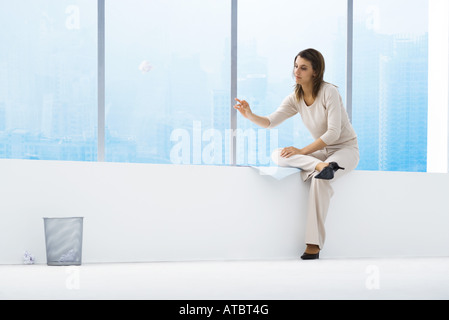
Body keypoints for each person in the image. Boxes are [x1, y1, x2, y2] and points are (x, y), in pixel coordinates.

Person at [233, 48, 359, 260]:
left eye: (303, 68)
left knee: (320, 180)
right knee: (279, 155)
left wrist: (301, 151)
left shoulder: (330, 92)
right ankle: (319, 166)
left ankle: (313, 244)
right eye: (295, 66)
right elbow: (270, 122)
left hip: (344, 149)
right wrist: (250, 115)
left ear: (315, 72)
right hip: (322, 155)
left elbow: (333, 133)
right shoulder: (296, 97)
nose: (296, 71)